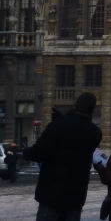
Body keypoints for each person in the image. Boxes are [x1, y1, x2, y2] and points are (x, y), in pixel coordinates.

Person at [22, 92, 103, 221]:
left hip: (51, 196)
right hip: (75, 197)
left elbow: (39, 152)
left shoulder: (59, 125)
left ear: (76, 105)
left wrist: (26, 152)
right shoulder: (95, 132)